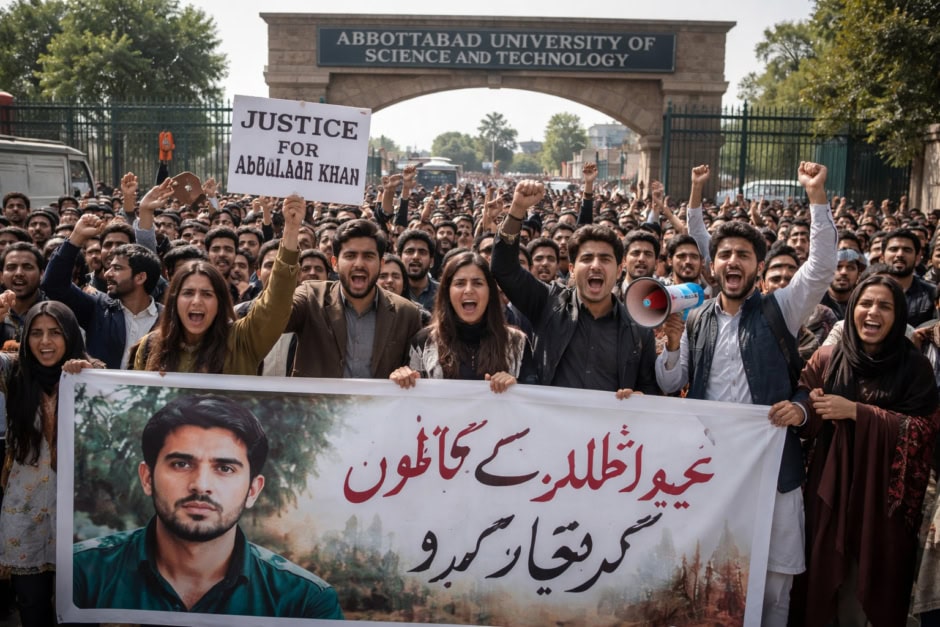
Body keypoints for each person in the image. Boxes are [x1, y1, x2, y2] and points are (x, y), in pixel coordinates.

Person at [656, 162, 836, 627]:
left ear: (758, 267)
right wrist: (673, 347)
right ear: (712, 267)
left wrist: (817, 197)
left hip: (774, 468)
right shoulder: (697, 319)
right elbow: (672, 385)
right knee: (711, 573)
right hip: (711, 471)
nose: (732, 261)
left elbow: (820, 269)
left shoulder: (781, 309)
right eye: (725, 255)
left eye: (743, 255)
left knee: (775, 579)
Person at [72, 394, 343, 619]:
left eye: (224, 468)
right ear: (147, 478)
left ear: (252, 490)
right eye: (181, 464)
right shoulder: (80, 574)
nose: (201, 485)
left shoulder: (306, 602)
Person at [790, 275, 939, 626]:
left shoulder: (914, 367)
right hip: (828, 498)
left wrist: (856, 412)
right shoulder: (826, 359)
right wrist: (805, 409)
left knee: (868, 599)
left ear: (898, 315)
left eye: (885, 306)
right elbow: (804, 415)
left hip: (882, 507)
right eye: (866, 303)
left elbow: (925, 431)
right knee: (821, 589)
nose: (873, 312)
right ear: (852, 309)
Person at [491, 180, 659, 398]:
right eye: (587, 258)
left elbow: (648, 388)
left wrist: (639, 398)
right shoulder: (548, 303)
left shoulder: (639, 329)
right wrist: (516, 211)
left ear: (619, 270)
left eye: (605, 259)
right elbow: (503, 268)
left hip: (607, 431)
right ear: (571, 269)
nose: (595, 265)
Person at [0, 298, 97, 627]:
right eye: (36, 333)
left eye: (55, 333)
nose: (44, 342)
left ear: (71, 335)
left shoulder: (93, 376)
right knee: (32, 605)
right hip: (26, 509)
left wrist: (88, 378)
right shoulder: (13, 373)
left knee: (81, 611)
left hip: (79, 515)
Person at [133, 195, 303, 375]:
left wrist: (291, 229)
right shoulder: (150, 347)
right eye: (188, 293)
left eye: (207, 294)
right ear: (174, 299)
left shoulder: (242, 340)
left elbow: (275, 304)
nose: (197, 301)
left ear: (220, 302)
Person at [285, 218, 422, 378]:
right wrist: (290, 232)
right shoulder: (310, 297)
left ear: (381, 263)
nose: (359, 264)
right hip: (317, 403)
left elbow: (415, 370)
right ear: (335, 263)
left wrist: (406, 374)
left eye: (368, 256)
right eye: (350, 255)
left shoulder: (406, 313)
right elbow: (272, 319)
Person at [390, 251, 526, 392]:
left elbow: (535, 399)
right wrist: (403, 379)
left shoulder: (517, 343)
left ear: (490, 291)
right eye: (460, 283)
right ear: (447, 292)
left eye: (477, 283)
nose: (468, 290)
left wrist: (516, 386)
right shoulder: (424, 342)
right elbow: (412, 401)